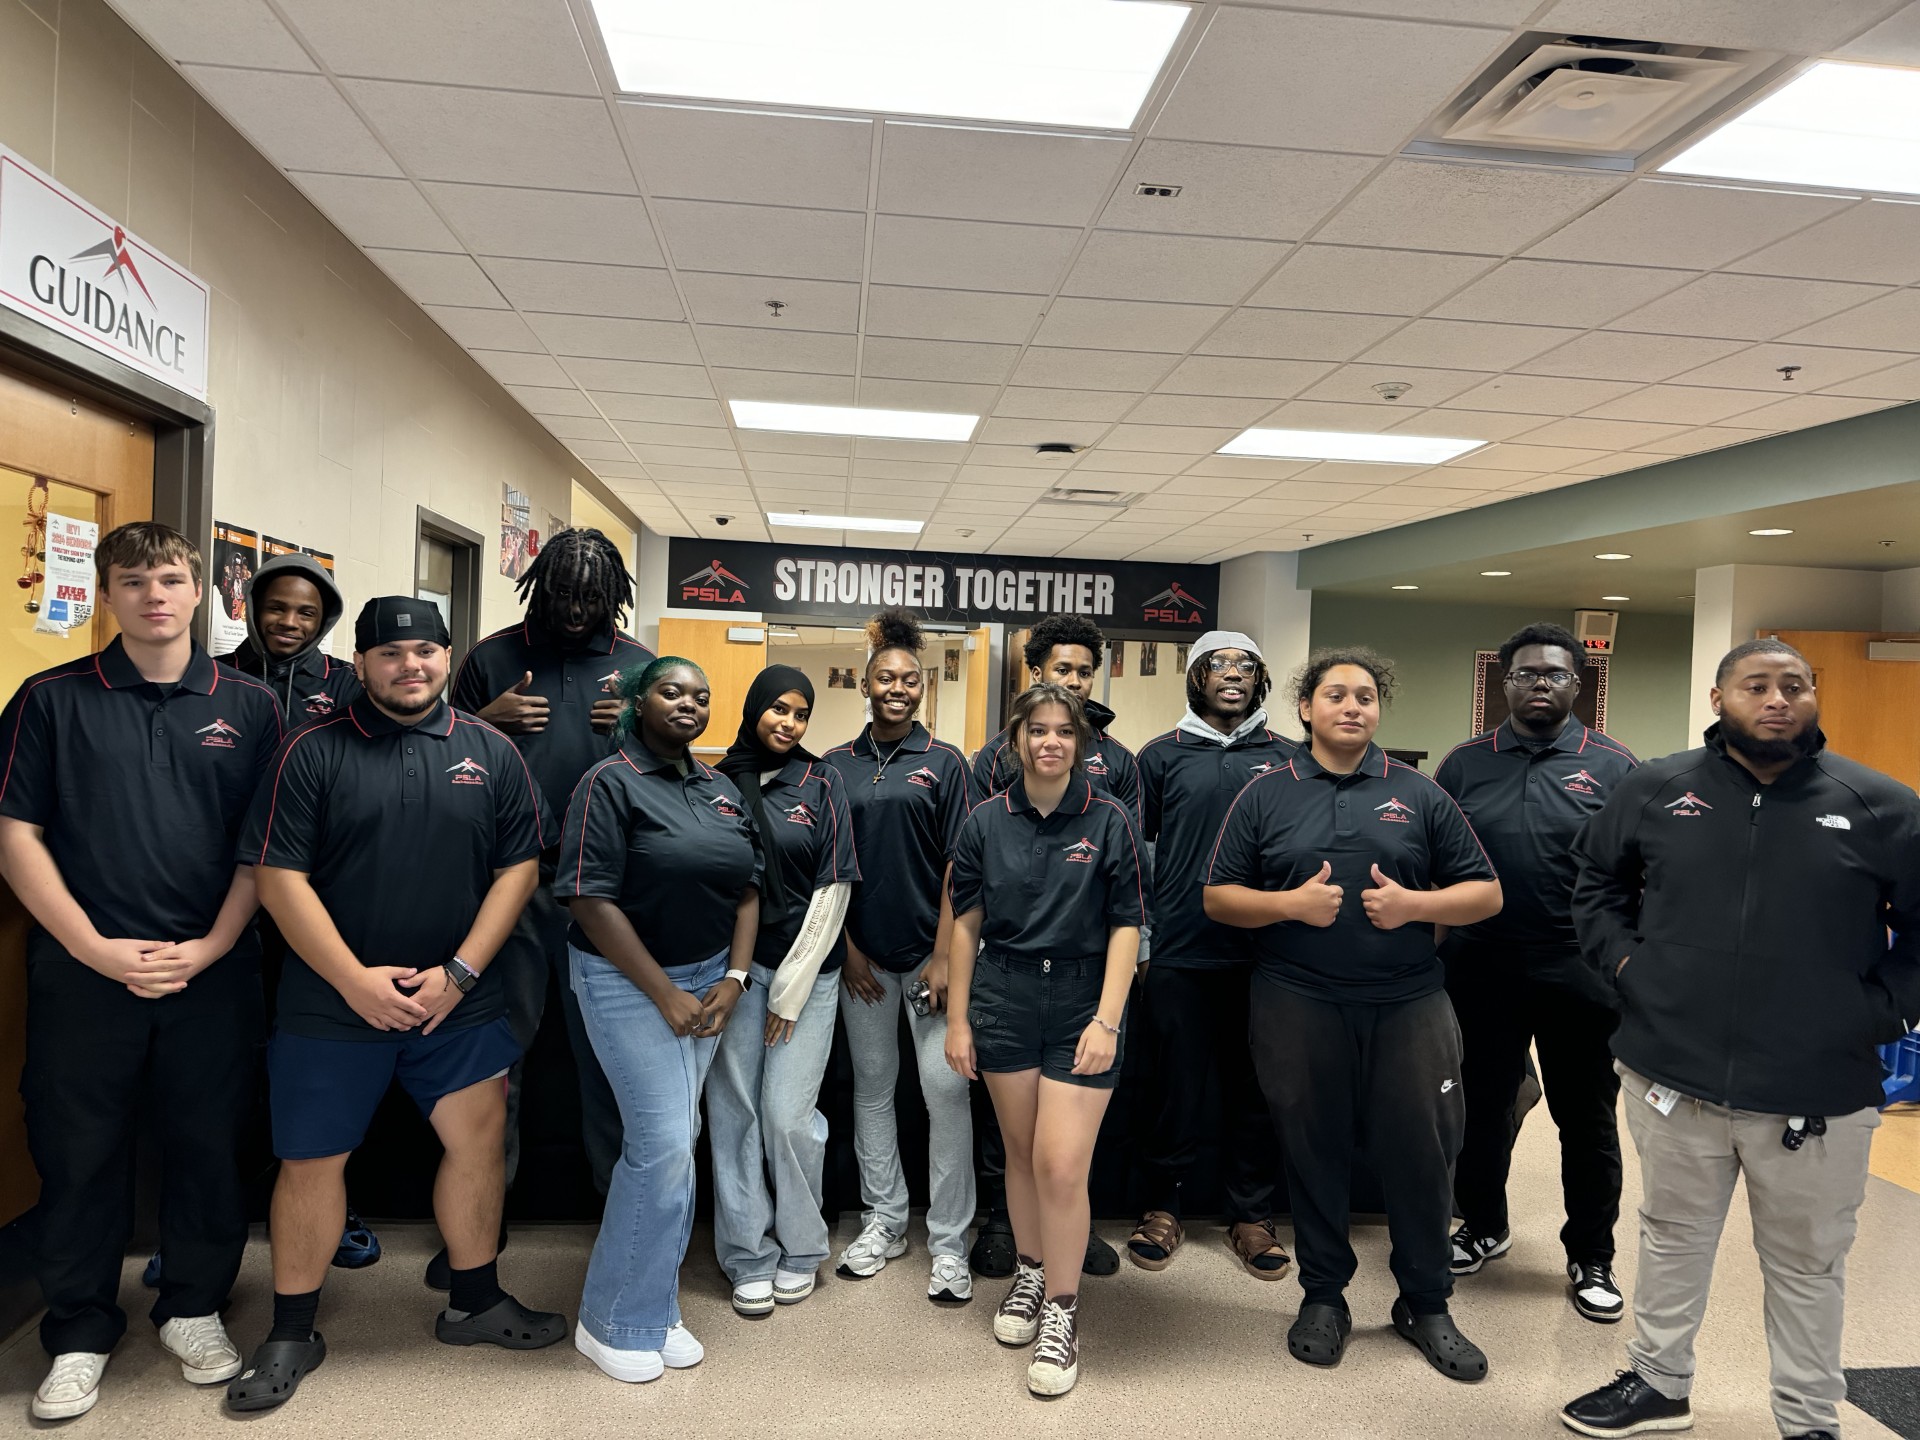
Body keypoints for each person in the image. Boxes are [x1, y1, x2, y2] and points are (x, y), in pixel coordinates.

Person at [1559, 640, 1920, 1440]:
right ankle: (1659, 1384)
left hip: (1816, 1087)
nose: (1777, 699)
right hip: (1672, 1071)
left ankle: (1807, 1417)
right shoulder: (1657, 788)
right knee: (1671, 1238)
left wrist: (1875, 1014)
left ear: (1814, 695)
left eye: (1794, 685)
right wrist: (1629, 967)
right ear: (1720, 696)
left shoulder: (1881, 806)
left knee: (1808, 1265)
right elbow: (1594, 884)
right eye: (1756, 685)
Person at [226, 598, 564, 1414]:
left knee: (477, 1146)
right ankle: (292, 1331)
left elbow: (519, 867)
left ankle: (475, 1301)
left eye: (424, 651)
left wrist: (461, 971)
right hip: (331, 1002)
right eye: (389, 654)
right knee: (311, 1162)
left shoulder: (493, 752)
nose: (408, 666)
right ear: (362, 662)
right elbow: (278, 876)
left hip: (458, 1001)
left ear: (448, 657)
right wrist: (353, 980)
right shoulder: (311, 752)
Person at [0, 523, 283, 1423]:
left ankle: (194, 1307)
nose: (154, 596)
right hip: (86, 973)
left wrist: (209, 947)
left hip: (214, 971)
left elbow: (266, 851)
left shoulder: (252, 706)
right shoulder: (49, 700)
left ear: (201, 591)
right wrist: (92, 946)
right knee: (78, 1153)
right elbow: (16, 835)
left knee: (207, 1145)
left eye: (169, 579)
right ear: (106, 594)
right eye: (133, 582)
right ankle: (80, 1330)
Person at [1204, 648, 1502, 1382]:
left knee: (1423, 1156)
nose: (1352, 706)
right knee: (1314, 1150)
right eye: (1335, 694)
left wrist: (1415, 906)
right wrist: (1290, 907)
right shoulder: (1266, 793)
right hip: (1297, 1002)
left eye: (1365, 696)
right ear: (1305, 709)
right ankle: (1324, 1298)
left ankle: (1426, 1303)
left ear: (1378, 711)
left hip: (1408, 1004)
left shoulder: (1419, 793)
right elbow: (1218, 897)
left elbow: (1485, 893)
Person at [555, 657, 761, 1382]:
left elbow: (747, 888)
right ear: (640, 701)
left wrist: (733, 979)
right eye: (672, 691)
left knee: (678, 1144)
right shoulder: (607, 784)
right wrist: (664, 994)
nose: (688, 704)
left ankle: (654, 1307)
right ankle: (610, 1321)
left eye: (702, 696)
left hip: (709, 981)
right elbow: (587, 898)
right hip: (624, 981)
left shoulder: (718, 786)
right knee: (663, 1145)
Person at [450, 526, 652, 1259]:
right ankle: (479, 1217)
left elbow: (674, 767)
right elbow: (434, 751)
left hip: (607, 887)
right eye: (563, 593)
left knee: (611, 1055)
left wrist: (636, 726)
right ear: (540, 586)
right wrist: (483, 721)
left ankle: (618, 1216)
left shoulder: (637, 665)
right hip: (515, 881)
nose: (574, 609)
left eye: (590, 597)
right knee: (499, 1054)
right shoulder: (493, 658)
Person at [945, 683, 1146, 1397]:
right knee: (1023, 1157)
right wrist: (961, 1019)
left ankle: (1063, 1311)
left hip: (1083, 1002)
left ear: (1079, 744)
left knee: (1062, 1165)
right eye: (1038, 730)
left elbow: (1128, 922)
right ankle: (1030, 1274)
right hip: (1005, 994)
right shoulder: (982, 822)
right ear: (1017, 740)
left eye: (1064, 731)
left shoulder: (1111, 818)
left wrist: (1108, 1020)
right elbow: (966, 924)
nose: (1051, 741)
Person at [1435, 623, 1637, 1324]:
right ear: (1507, 683)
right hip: (1481, 964)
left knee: (1584, 1119)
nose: (1539, 684)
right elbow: (1437, 863)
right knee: (1482, 1110)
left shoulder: (1614, 767)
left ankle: (1592, 1255)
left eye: (1554, 674)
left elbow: (1636, 874)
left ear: (1577, 684)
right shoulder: (1464, 764)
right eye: (1525, 674)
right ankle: (1483, 1225)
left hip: (1579, 969)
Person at [967, 613, 1138, 1278]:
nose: (1074, 681)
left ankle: (1068, 1226)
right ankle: (1009, 1226)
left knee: (1068, 1138)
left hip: (1085, 973)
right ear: (1035, 674)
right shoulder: (995, 759)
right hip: (1009, 971)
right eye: (1062, 670)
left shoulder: (1118, 763)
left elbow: (1129, 882)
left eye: (1084, 672)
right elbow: (974, 870)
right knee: (1014, 1127)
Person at [1128, 630, 1296, 1279]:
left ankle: (1251, 1216)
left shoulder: (1287, 759)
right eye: (1217, 664)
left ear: (1259, 679)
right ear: (1196, 678)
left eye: (1245, 665)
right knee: (1173, 1088)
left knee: (1255, 1090)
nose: (1232, 674)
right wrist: (1144, 942)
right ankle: (1162, 1208)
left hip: (1263, 959)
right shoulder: (1160, 756)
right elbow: (1137, 857)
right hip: (1179, 950)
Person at [821, 608, 976, 1303]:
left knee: (945, 1094)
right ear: (865, 681)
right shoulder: (834, 766)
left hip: (928, 960)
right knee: (873, 1091)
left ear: (923, 687)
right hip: (865, 962)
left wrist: (944, 959)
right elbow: (831, 869)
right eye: (886, 676)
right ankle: (885, 1220)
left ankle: (949, 1241)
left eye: (910, 679)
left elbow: (960, 870)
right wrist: (850, 950)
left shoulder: (946, 766)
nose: (897, 687)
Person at [708, 665, 859, 1317]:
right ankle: (747, 1254)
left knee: (786, 1114)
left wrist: (792, 988)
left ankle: (802, 1246)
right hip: (733, 976)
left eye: (800, 713)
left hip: (808, 974)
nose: (788, 722)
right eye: (778, 709)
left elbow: (836, 888)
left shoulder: (821, 781)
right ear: (754, 708)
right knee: (735, 1114)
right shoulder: (713, 781)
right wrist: (735, 977)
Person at [215, 552, 361, 724]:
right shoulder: (213, 673)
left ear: (323, 621)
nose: (289, 622)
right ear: (256, 610)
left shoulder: (349, 681)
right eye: (276, 608)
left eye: (306, 613)